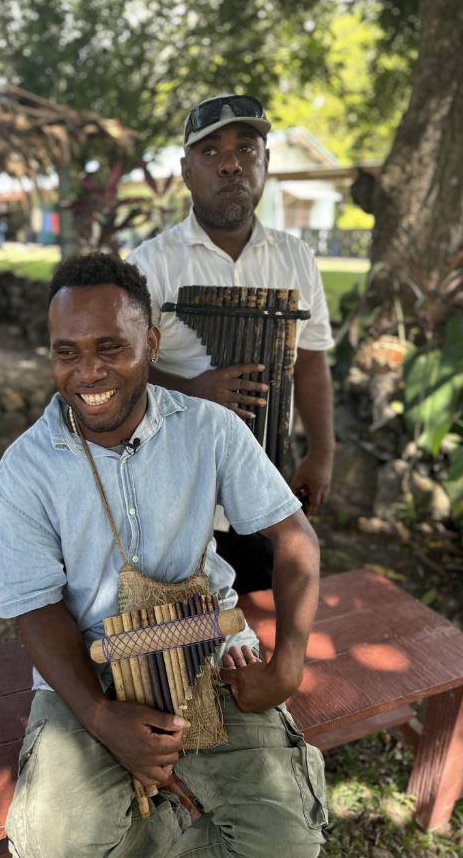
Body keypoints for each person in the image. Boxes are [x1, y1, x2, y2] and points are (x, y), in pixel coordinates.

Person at [0, 253, 327, 858]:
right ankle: (177, 823)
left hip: (212, 655)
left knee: (287, 844)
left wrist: (288, 665)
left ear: (149, 341)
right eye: (67, 352)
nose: (87, 373)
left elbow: (295, 537)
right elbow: (34, 608)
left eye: (109, 347)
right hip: (87, 672)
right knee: (55, 844)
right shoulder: (23, 471)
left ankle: (167, 826)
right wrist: (97, 716)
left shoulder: (212, 429)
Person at [127, 94, 335, 591]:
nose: (230, 165)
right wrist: (191, 391)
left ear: (265, 164)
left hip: (267, 485)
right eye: (210, 152)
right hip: (176, 489)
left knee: (258, 618)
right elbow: (121, 369)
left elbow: (309, 364)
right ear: (185, 170)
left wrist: (322, 451)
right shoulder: (150, 265)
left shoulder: (296, 258)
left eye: (246, 149)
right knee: (181, 631)